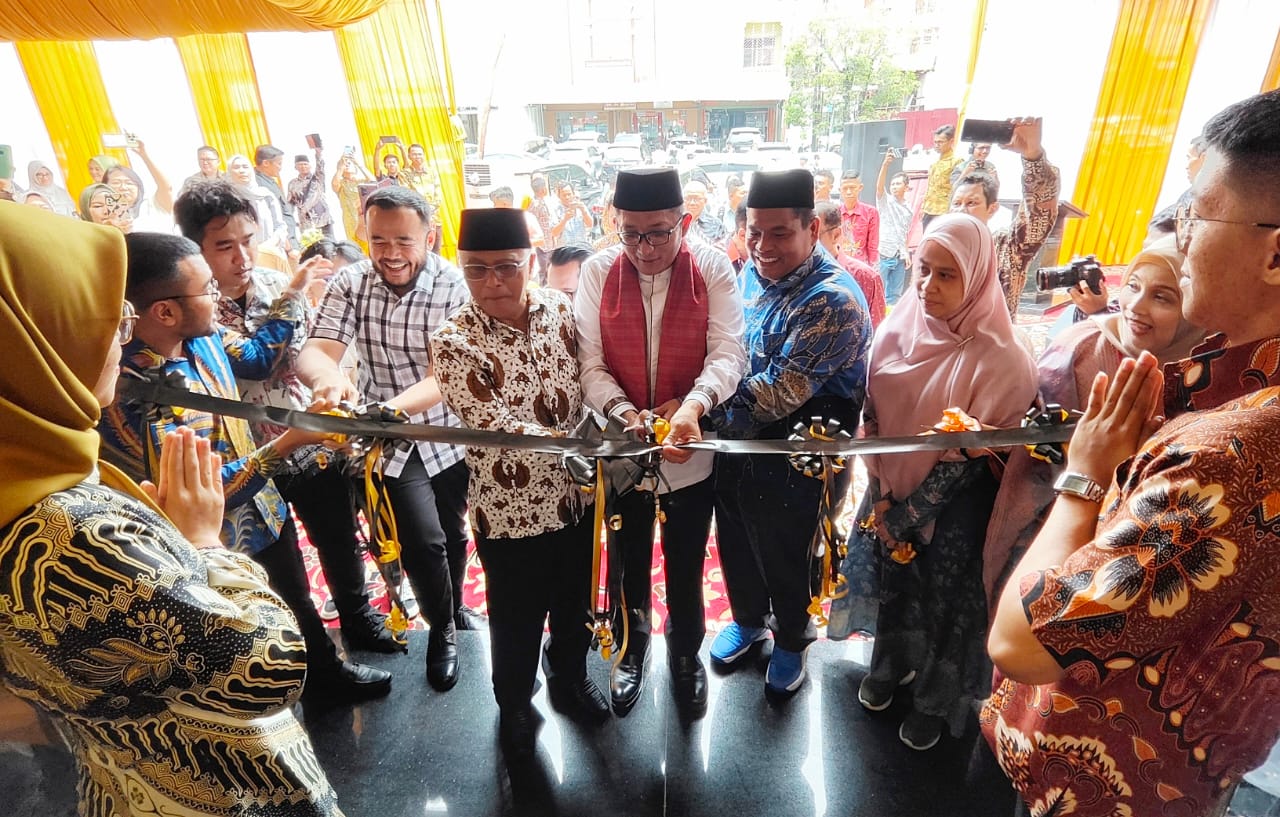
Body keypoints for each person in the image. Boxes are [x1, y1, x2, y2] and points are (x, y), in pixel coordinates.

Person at [984, 89, 1280, 817]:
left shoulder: (1231, 453)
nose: (1178, 236)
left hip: (1116, 788)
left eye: (1195, 215)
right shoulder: (1224, 381)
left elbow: (1019, 640)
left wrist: (1085, 475)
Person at [0, 202, 345, 816]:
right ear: (44, 339)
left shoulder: (40, 462)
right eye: (109, 320)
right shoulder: (78, 530)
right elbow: (264, 669)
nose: (122, 335)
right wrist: (203, 544)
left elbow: (257, 357)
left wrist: (293, 294)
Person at [98, 231, 393, 706]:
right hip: (208, 544)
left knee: (296, 599)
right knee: (239, 642)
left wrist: (296, 305)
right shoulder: (128, 392)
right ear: (165, 311)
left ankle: (323, 672)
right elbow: (196, 494)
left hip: (262, 508)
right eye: (207, 290)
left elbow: (257, 360)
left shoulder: (207, 336)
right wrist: (291, 442)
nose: (218, 298)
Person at [828, 213, 1038, 752]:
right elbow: (871, 418)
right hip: (887, 488)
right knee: (897, 587)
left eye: (948, 275)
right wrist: (880, 497)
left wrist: (902, 515)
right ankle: (892, 663)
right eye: (923, 269)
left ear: (978, 277)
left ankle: (934, 698)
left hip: (956, 507)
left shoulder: (1005, 360)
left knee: (944, 601)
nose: (927, 286)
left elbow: (965, 459)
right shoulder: (896, 329)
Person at [174, 179, 400, 655]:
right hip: (249, 455)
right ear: (195, 250)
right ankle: (309, 653)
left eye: (248, 240)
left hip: (310, 438)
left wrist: (329, 387)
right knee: (281, 562)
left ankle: (358, 620)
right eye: (224, 246)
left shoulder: (276, 285)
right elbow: (259, 359)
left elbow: (307, 355)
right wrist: (295, 297)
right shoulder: (195, 310)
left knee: (338, 537)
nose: (242, 257)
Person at [431, 208, 609, 762]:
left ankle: (572, 676)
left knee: (574, 599)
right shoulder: (453, 339)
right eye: (475, 270)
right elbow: (495, 423)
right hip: (509, 512)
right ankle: (511, 703)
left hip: (576, 501)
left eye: (506, 267)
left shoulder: (560, 310)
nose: (492, 283)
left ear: (530, 261)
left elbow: (589, 382)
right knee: (515, 618)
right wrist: (578, 447)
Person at [576, 167, 746, 717]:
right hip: (625, 447)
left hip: (689, 447)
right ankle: (632, 653)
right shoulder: (600, 271)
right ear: (615, 223)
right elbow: (590, 364)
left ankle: (684, 656)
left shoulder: (714, 268)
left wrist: (694, 405)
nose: (644, 248)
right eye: (631, 233)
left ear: (685, 223)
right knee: (627, 559)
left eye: (659, 233)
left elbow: (728, 353)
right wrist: (625, 412)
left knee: (686, 561)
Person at [297, 186, 476, 692]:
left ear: (429, 237)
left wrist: (389, 409)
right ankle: (441, 631)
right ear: (363, 236)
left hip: (446, 428)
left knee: (454, 530)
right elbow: (317, 350)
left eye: (404, 240)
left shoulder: (454, 285)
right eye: (379, 240)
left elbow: (449, 373)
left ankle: (456, 608)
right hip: (387, 441)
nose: (391, 253)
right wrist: (326, 379)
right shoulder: (351, 282)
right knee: (422, 540)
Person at [983, 235, 1204, 626]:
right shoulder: (1080, 350)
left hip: (1142, 553)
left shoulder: (1203, 374)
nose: (1135, 305)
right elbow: (1031, 465)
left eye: (1163, 297)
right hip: (1049, 525)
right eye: (1133, 286)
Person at [709, 168, 871, 697]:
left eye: (780, 233)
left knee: (789, 551)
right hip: (737, 446)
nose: (763, 245)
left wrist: (693, 405)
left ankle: (793, 641)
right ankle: (750, 620)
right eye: (754, 231)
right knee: (734, 536)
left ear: (813, 231)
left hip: (799, 457)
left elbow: (777, 392)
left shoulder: (834, 301)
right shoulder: (752, 273)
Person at [948, 117, 1061, 317]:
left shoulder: (1006, 247)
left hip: (992, 345)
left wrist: (1032, 155)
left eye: (972, 203)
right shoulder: (939, 248)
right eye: (956, 203)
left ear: (992, 208)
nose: (961, 210)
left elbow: (1040, 216)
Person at [816, 201, 885, 329]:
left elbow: (877, 331)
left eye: (815, 236)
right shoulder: (797, 275)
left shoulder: (866, 278)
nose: (808, 243)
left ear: (836, 234)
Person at [226, 154, 290, 255]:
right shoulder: (227, 199)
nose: (242, 171)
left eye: (245, 167)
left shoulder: (266, 195)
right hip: (245, 256)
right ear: (229, 172)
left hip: (272, 251)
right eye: (236, 167)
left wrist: (269, 245)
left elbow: (280, 225)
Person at [1148, 134, 1207, 238]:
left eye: (1190, 158)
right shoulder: (1191, 193)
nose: (1186, 166)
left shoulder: (1201, 194)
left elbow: (1159, 227)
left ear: (1203, 159)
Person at [876, 149, 913, 304]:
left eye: (898, 184)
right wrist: (885, 165)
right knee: (879, 291)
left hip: (900, 256)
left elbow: (905, 233)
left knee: (895, 296)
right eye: (892, 184)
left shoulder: (909, 209)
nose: (894, 186)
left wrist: (906, 253)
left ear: (906, 187)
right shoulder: (885, 202)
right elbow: (879, 187)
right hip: (884, 253)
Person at [103, 162, 173, 233]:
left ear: (138, 187)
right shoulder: (102, 214)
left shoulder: (152, 205)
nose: (123, 187)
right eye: (116, 183)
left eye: (129, 183)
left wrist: (144, 155)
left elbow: (166, 188)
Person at [253, 144, 298, 253]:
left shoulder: (268, 180)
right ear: (266, 163)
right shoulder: (259, 184)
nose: (280, 167)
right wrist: (288, 244)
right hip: (282, 244)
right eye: (279, 163)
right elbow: (272, 216)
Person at [921, 124, 966, 231]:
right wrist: (923, 207)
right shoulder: (935, 162)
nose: (937, 145)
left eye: (940, 142)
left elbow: (959, 188)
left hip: (944, 210)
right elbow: (930, 186)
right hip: (928, 210)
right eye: (935, 142)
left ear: (951, 142)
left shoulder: (957, 162)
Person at [288, 150, 333, 238]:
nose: (303, 166)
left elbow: (320, 167)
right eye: (300, 164)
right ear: (295, 167)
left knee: (329, 246)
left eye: (305, 164)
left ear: (310, 166)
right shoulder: (292, 184)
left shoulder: (317, 178)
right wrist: (289, 219)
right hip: (306, 222)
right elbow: (290, 202)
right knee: (312, 248)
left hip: (323, 220)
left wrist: (318, 153)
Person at [332, 150, 373, 246]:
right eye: (344, 164)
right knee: (355, 246)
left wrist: (358, 163)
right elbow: (334, 184)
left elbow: (373, 181)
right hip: (351, 220)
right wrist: (340, 168)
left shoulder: (361, 181)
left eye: (349, 163)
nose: (346, 165)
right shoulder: (342, 183)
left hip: (365, 217)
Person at [838, 170, 879, 266]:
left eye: (852, 188)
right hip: (839, 266)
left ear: (860, 187)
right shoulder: (834, 212)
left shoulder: (871, 213)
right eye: (845, 188)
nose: (848, 192)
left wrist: (873, 267)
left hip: (860, 266)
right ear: (840, 189)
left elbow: (873, 245)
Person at [489, 185, 545, 250]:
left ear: (505, 204)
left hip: (521, 259)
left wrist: (518, 244)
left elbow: (540, 240)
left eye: (495, 204)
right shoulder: (494, 220)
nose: (494, 206)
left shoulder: (526, 217)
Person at [683, 179, 728, 246]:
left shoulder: (716, 225)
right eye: (688, 198)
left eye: (697, 198)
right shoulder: (675, 224)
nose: (692, 203)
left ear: (705, 201)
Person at [551, 181, 593, 248]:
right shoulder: (555, 210)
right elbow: (554, 233)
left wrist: (583, 211)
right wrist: (564, 220)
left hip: (581, 249)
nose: (567, 197)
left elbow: (590, 225)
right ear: (559, 196)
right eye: (564, 195)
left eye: (569, 194)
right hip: (565, 251)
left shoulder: (580, 207)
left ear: (573, 194)